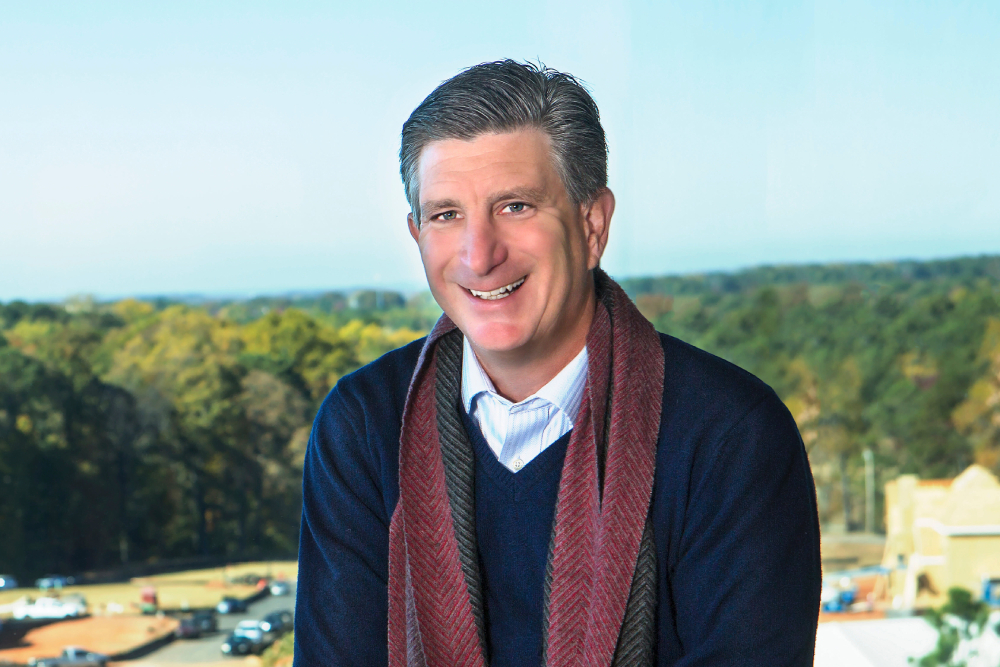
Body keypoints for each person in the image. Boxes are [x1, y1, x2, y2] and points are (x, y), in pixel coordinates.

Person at [294, 60, 821, 666]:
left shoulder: (731, 434)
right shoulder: (363, 424)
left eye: (515, 206)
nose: (479, 255)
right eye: (446, 215)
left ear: (592, 224)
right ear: (417, 234)